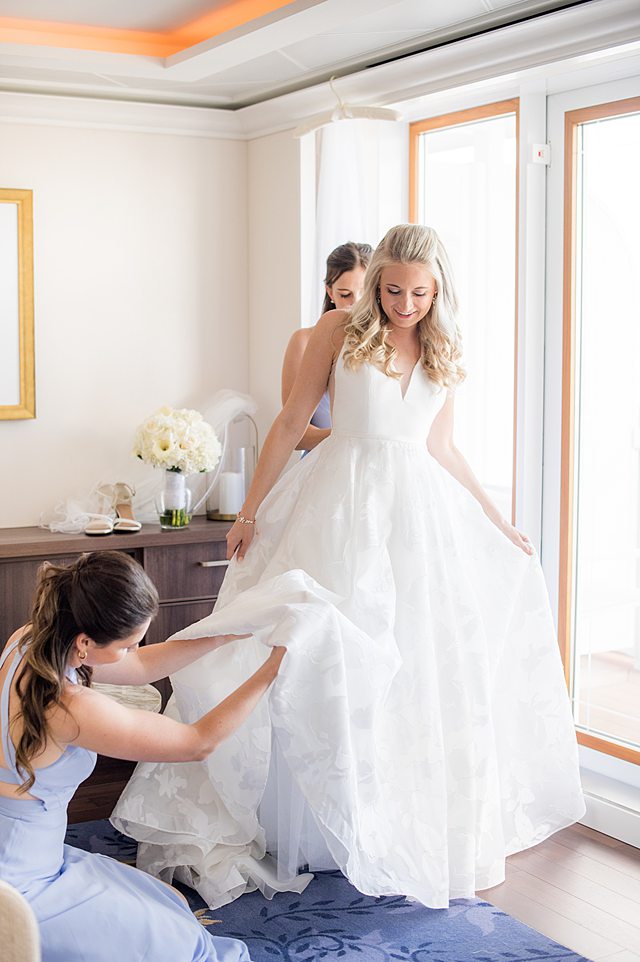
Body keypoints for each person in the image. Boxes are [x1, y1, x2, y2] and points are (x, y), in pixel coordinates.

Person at [113, 224, 585, 910]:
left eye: (418, 293)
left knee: (412, 664)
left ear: (438, 289)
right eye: (392, 289)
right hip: (337, 504)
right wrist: (248, 511)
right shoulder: (338, 331)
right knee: (312, 650)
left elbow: (444, 450)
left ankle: (391, 825)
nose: (403, 304)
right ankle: (309, 829)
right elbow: (288, 423)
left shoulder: (444, 345)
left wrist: (495, 517)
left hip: (415, 515)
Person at [0, 551, 286, 962]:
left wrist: (224, 636)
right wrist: (269, 672)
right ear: (85, 643)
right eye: (128, 642)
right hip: (21, 881)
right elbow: (197, 742)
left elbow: (137, 666)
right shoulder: (70, 708)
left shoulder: (31, 638)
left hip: (18, 845)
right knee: (186, 946)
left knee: (170, 901)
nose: (135, 650)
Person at [281, 241, 372, 452]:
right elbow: (293, 433)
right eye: (345, 294)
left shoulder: (392, 343)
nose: (355, 304)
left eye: (364, 293)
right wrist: (349, 437)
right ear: (330, 292)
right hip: (321, 464)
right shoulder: (304, 342)